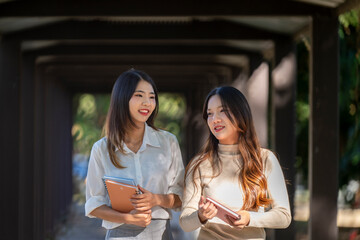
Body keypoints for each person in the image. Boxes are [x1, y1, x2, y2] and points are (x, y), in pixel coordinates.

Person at [179, 86, 291, 239]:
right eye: (209, 114)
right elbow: (185, 222)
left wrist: (250, 218)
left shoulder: (265, 159)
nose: (214, 119)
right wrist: (201, 215)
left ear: (240, 113)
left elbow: (284, 216)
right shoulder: (199, 164)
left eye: (222, 111)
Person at [85, 69, 184, 240]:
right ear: (122, 98)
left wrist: (156, 199)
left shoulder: (168, 142)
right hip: (119, 234)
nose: (147, 102)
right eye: (139, 95)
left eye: (152, 97)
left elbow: (181, 196)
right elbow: (93, 205)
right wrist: (128, 218)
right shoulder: (101, 149)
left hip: (160, 234)